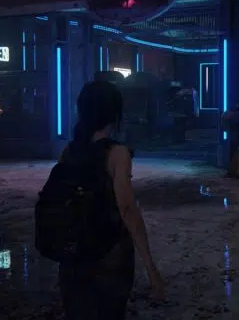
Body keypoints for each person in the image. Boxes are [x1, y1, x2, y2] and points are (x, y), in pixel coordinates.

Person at [58, 80, 165, 320]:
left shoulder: (68, 152)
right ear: (114, 114)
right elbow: (127, 208)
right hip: (110, 257)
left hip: (73, 256)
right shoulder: (117, 154)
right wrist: (150, 267)